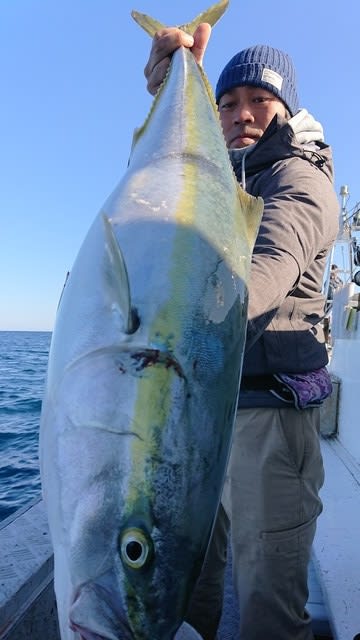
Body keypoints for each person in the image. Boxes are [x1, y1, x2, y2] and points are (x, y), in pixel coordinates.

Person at [144, 25, 339, 640]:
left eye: (260, 98)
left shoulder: (300, 180)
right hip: (208, 415)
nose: (241, 114)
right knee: (192, 581)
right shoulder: (222, 180)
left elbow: (269, 267)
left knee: (266, 609)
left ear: (288, 108)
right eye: (226, 102)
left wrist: (181, 335)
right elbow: (164, 194)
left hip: (271, 426)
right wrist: (165, 98)